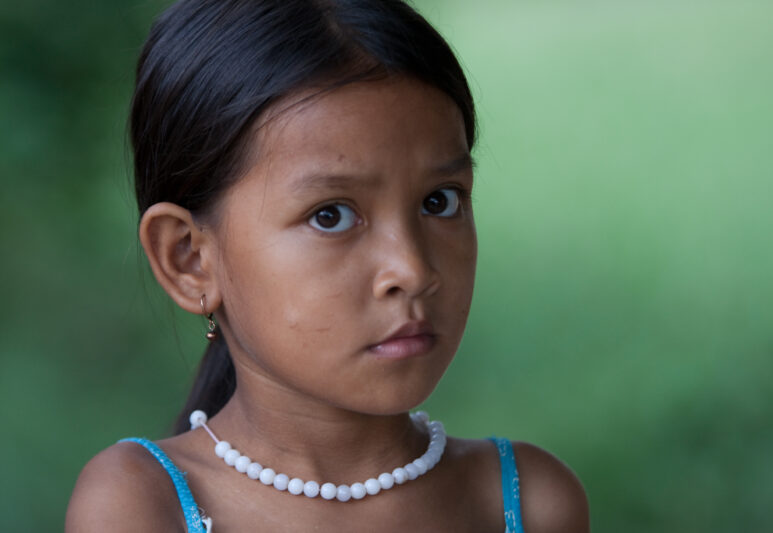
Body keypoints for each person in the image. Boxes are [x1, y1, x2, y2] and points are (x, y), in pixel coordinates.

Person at [65, 0, 589, 531]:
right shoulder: (141, 505)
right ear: (190, 259)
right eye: (331, 215)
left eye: (440, 201)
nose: (412, 269)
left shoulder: (524, 501)